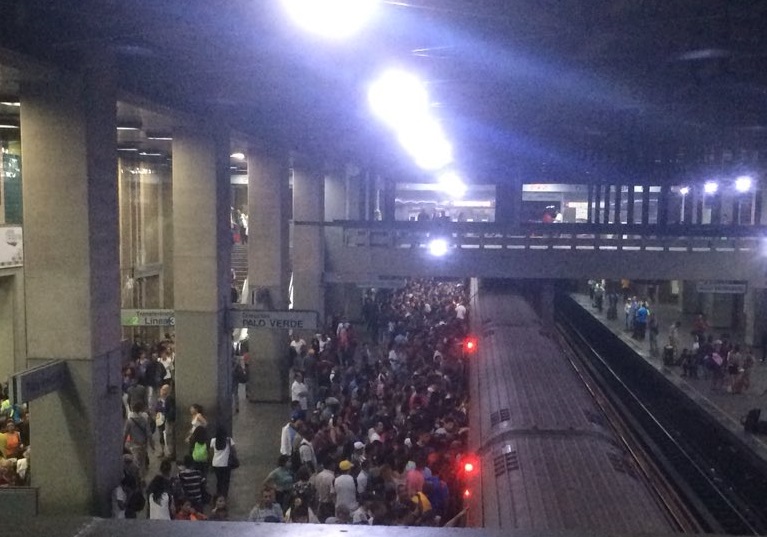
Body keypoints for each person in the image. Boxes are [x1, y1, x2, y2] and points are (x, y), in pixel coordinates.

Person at [123, 401, 155, 481]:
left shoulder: (129, 421)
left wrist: (122, 445)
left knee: (136, 462)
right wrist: (152, 445)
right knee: (143, 462)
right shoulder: (144, 420)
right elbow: (149, 434)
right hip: (143, 445)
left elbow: (125, 434)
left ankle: (138, 480)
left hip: (134, 445)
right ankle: (143, 478)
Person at [210, 426, 236, 498]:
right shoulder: (228, 440)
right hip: (226, 464)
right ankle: (224, 497)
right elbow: (234, 450)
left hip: (216, 464)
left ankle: (218, 496)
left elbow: (211, 452)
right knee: (226, 482)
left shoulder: (213, 440)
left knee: (219, 481)